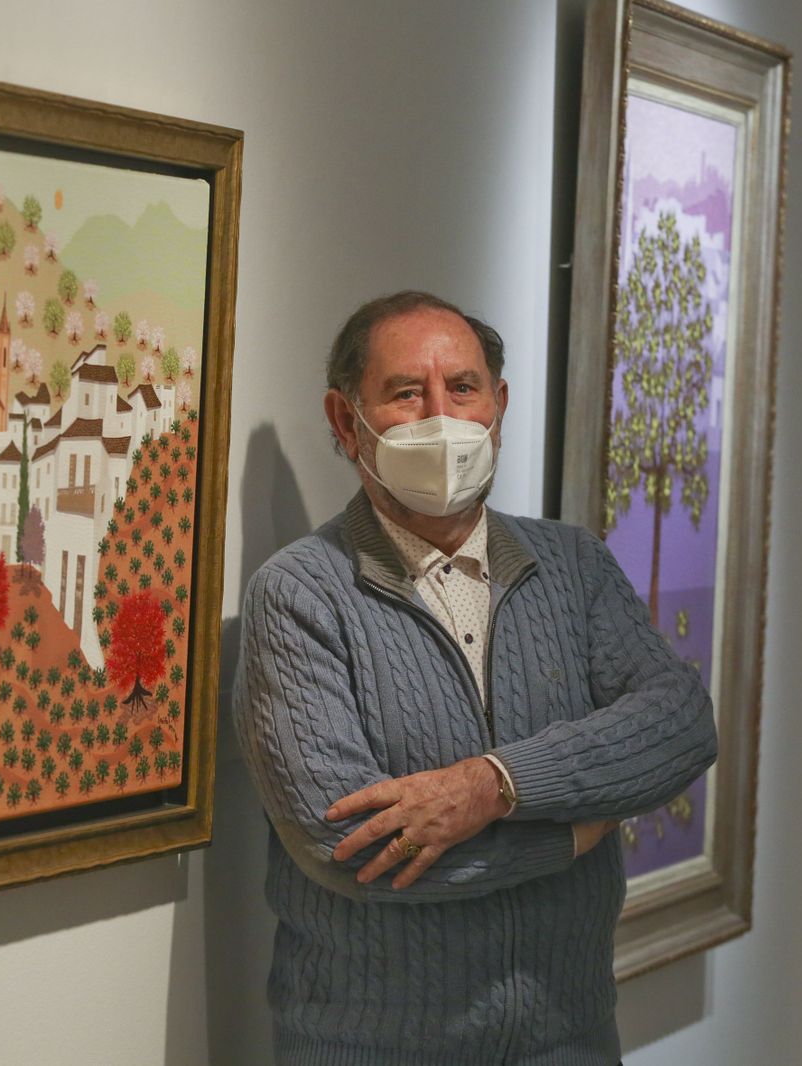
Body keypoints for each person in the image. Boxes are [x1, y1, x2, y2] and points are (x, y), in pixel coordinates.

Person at [233, 291, 717, 1065]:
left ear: (500, 403)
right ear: (342, 417)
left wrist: (492, 786)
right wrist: (571, 834)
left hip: (571, 1037)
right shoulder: (300, 594)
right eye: (404, 393)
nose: (441, 416)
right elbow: (346, 846)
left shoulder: (573, 564)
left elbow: (681, 723)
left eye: (462, 387)